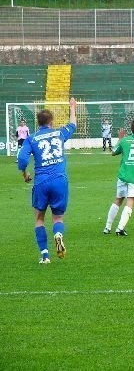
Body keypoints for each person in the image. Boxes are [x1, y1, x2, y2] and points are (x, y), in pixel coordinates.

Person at [17, 98, 77, 264]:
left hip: (41, 182)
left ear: (38, 123)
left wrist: (25, 174)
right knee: (58, 218)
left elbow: (22, 160)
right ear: (51, 121)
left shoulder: (31, 139)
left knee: (39, 219)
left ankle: (45, 255)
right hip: (59, 180)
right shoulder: (59, 133)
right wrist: (73, 107)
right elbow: (73, 125)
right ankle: (58, 234)